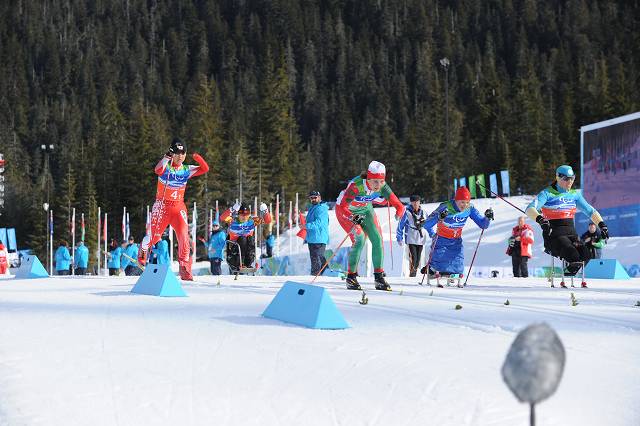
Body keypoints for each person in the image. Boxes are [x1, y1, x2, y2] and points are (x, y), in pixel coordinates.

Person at [137, 138, 209, 280]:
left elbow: (205, 169)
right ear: (172, 154)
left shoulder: (186, 169)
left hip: (178, 207)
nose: (180, 156)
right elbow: (157, 170)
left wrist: (197, 158)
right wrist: (167, 156)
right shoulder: (166, 167)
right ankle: (144, 249)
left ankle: (185, 268)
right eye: (177, 153)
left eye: (183, 153)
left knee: (183, 237)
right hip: (162, 206)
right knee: (154, 237)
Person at [526, 165, 609, 275]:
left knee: (586, 254)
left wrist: (602, 225)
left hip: (571, 233)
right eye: (566, 179)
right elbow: (529, 209)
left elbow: (590, 211)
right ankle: (569, 270)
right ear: (558, 178)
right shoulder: (547, 193)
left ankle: (570, 271)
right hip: (554, 233)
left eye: (572, 178)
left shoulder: (574, 194)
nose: (569, 181)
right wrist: (541, 219)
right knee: (572, 253)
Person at [335, 160, 405, 291]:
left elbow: (398, 203)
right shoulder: (356, 186)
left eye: (381, 181)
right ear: (368, 178)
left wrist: (399, 210)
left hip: (366, 210)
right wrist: (353, 217)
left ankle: (379, 277)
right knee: (359, 239)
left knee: (377, 239)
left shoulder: (382, 185)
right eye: (375, 182)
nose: (379, 185)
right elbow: (344, 206)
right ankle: (351, 277)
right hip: (345, 211)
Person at [420, 187, 493, 282]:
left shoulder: (470, 208)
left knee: (458, 267)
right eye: (462, 202)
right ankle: (432, 269)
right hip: (441, 240)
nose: (464, 205)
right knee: (439, 260)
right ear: (456, 200)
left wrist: (487, 218)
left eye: (467, 202)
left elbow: (483, 225)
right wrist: (439, 216)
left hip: (456, 241)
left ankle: (447, 272)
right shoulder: (445, 207)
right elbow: (426, 224)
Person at [223, 202, 271, 273]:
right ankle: (240, 263)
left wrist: (265, 211)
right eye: (242, 215)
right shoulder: (232, 221)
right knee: (242, 238)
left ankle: (248, 263)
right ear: (238, 214)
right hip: (235, 249)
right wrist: (232, 209)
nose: (244, 217)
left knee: (249, 238)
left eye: (246, 215)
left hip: (248, 250)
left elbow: (268, 220)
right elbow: (222, 217)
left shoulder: (252, 221)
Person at [396, 195, 429, 277]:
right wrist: (399, 238)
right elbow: (400, 225)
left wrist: (433, 234)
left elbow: (429, 224)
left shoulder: (424, 212)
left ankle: (414, 273)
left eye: (417, 202)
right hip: (411, 237)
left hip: (421, 238)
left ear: (419, 202)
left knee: (418, 258)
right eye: (413, 202)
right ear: (411, 203)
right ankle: (412, 274)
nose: (415, 203)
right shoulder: (407, 213)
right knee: (413, 257)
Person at [305, 190, 329, 276]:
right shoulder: (312, 207)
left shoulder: (321, 208)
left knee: (317, 259)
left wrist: (306, 226)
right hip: (312, 238)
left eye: (315, 197)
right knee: (316, 259)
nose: (313, 199)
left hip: (319, 238)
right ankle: (325, 275)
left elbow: (319, 223)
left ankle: (316, 277)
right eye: (311, 198)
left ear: (319, 197)